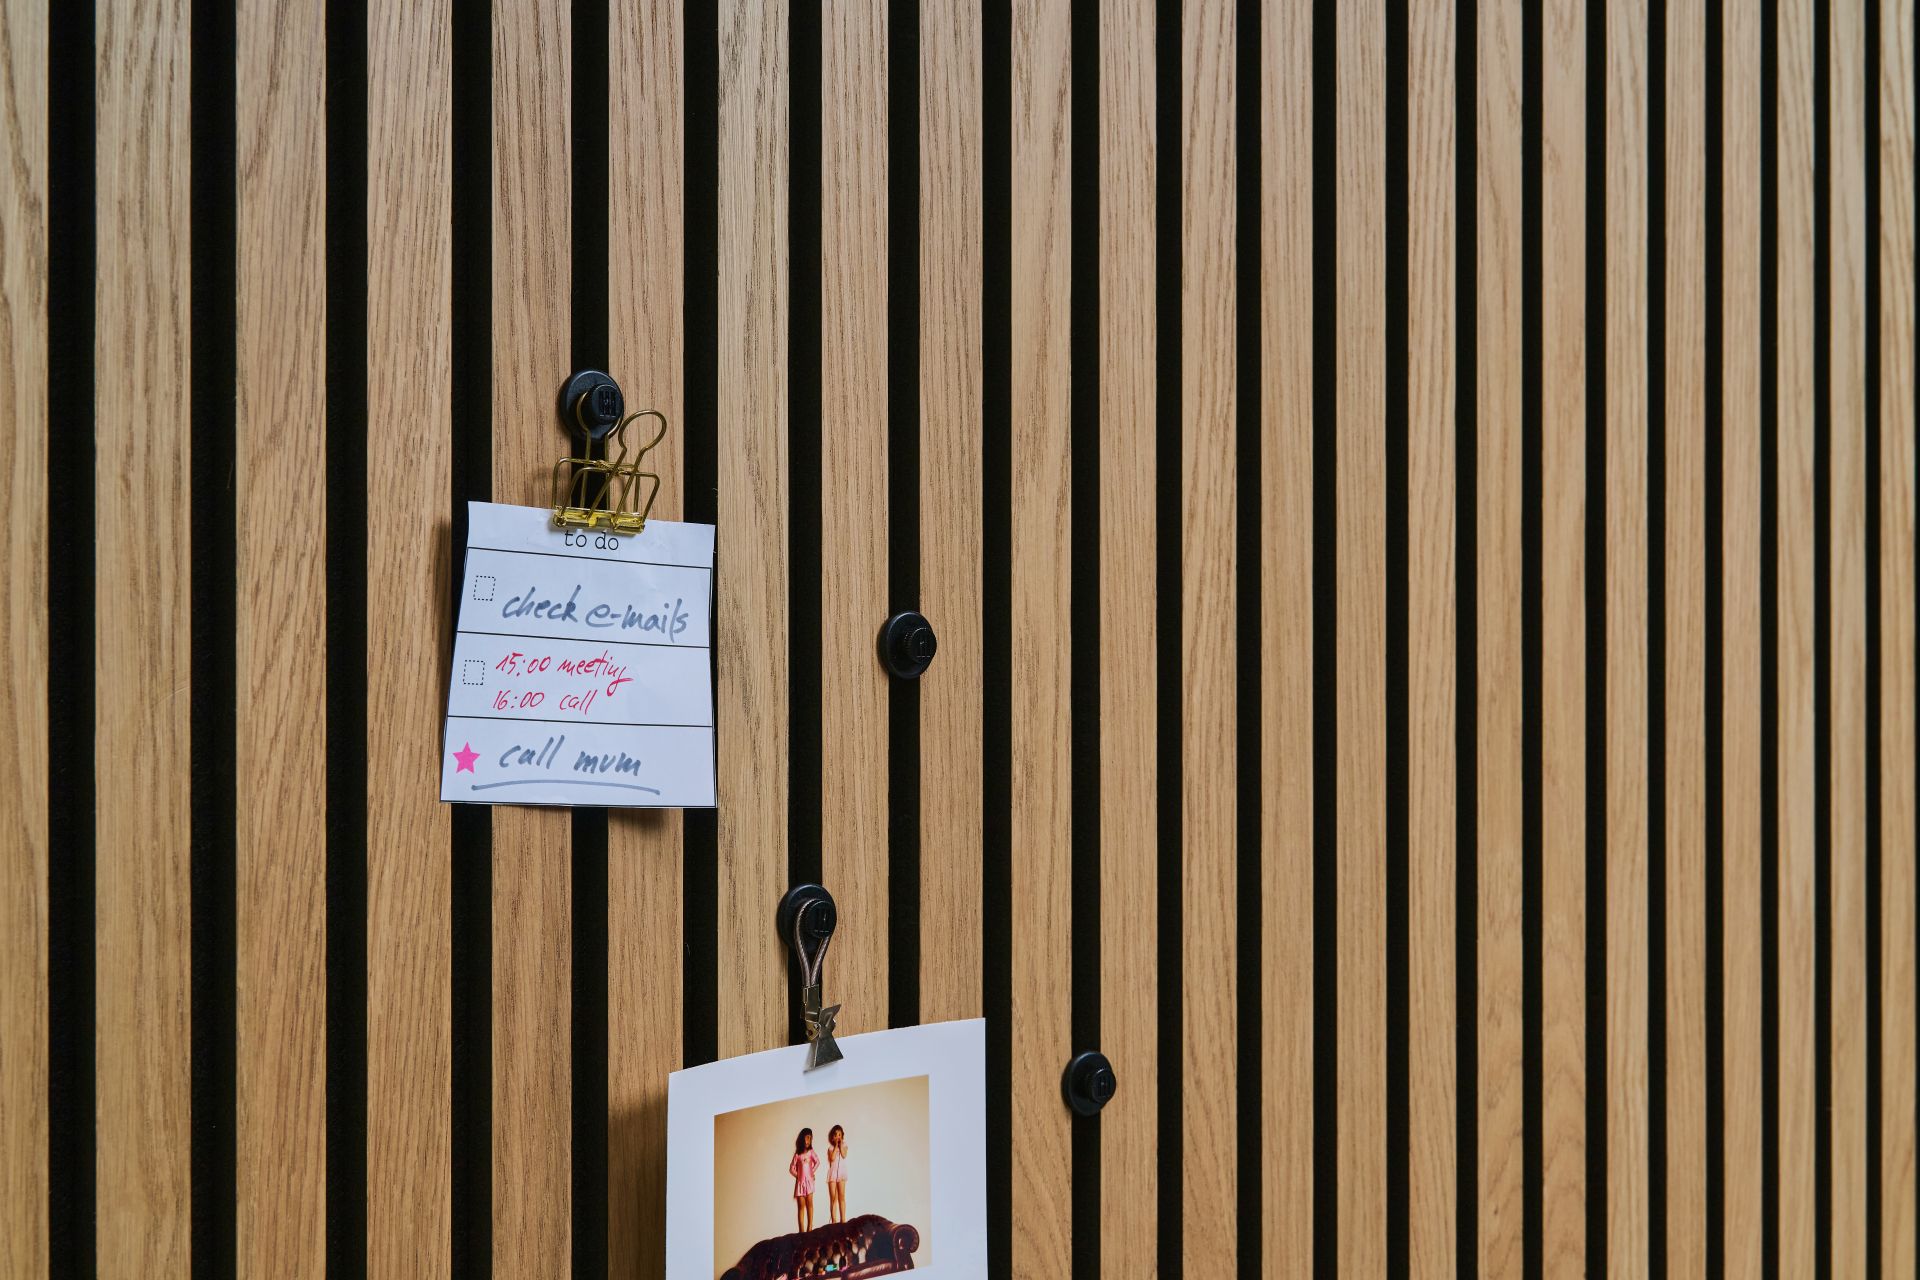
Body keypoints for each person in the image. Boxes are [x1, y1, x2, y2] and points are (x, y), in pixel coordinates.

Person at [790, 1128, 820, 1232]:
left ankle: (810, 1227)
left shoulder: (811, 1152)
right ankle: (802, 1231)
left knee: (810, 1204)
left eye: (810, 1138)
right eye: (807, 1138)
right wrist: (798, 1176)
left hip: (809, 1183)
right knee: (801, 1206)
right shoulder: (797, 1154)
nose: (808, 1141)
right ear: (802, 1139)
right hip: (800, 1184)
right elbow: (792, 1168)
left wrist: (812, 1172)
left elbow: (818, 1162)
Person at [825, 1124, 849, 1224]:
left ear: (842, 1136)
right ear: (832, 1138)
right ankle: (834, 1220)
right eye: (835, 1135)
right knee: (833, 1198)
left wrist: (841, 1145)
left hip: (841, 1173)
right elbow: (832, 1158)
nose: (838, 1137)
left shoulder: (845, 1146)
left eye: (839, 1135)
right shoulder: (831, 1148)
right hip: (833, 1174)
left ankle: (843, 1219)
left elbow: (844, 1155)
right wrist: (835, 1146)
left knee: (841, 1197)